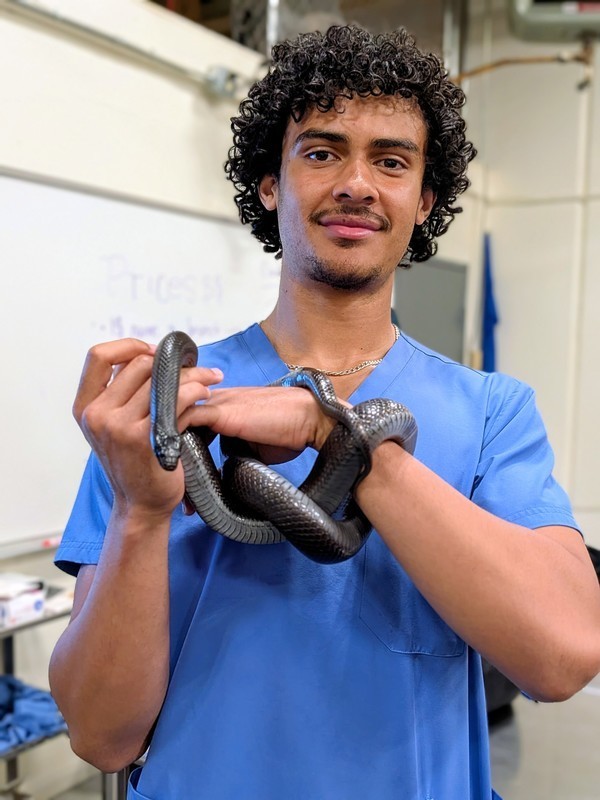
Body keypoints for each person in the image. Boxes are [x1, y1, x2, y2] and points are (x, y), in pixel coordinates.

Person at [49, 25, 600, 800]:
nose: (357, 184)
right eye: (320, 152)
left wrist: (333, 432)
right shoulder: (160, 413)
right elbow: (101, 736)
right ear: (270, 185)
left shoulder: (491, 414)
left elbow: (565, 657)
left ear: (424, 201)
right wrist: (142, 512)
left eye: (392, 161)